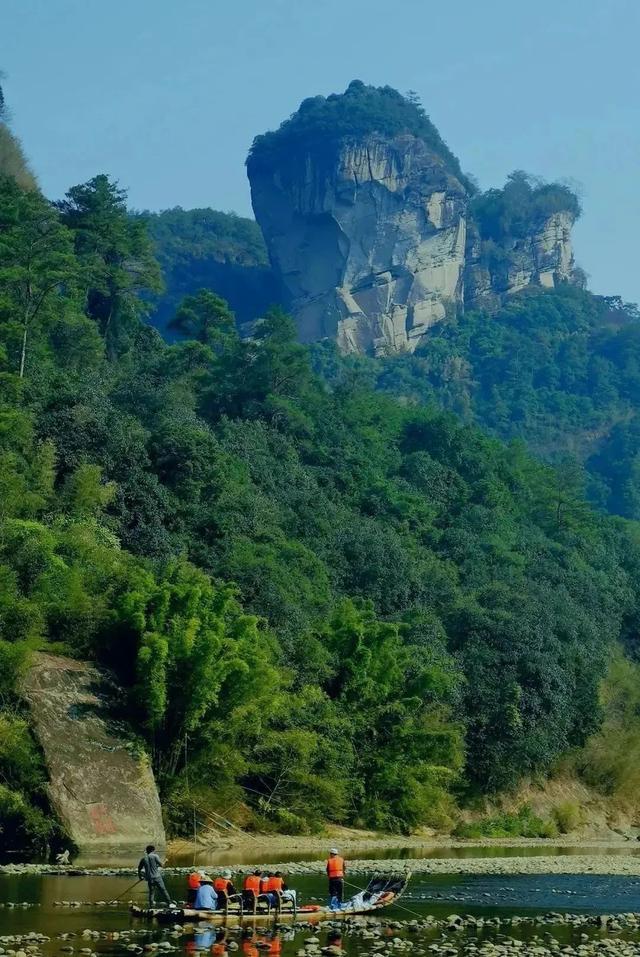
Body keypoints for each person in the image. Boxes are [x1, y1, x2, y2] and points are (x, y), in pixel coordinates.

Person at [138, 844, 172, 908]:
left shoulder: (143, 858)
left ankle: (151, 905)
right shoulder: (155, 856)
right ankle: (169, 903)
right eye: (154, 850)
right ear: (153, 850)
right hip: (157, 877)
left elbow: (139, 868)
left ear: (147, 851)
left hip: (150, 878)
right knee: (163, 890)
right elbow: (162, 865)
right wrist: (165, 861)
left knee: (151, 892)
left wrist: (140, 877)